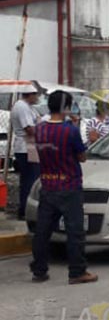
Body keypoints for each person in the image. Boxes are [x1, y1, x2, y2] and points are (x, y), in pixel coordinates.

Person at [29, 90, 97, 284]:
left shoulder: (40, 129)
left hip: (48, 184)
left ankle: (39, 270)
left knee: (43, 231)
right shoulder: (70, 131)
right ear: (65, 108)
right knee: (75, 231)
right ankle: (77, 271)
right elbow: (81, 157)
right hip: (69, 185)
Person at [10, 87, 41, 221]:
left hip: (29, 146)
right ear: (31, 95)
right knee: (30, 180)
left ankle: (25, 209)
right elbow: (29, 128)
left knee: (30, 178)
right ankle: (25, 210)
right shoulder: (22, 107)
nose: (37, 98)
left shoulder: (28, 107)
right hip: (25, 147)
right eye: (36, 95)